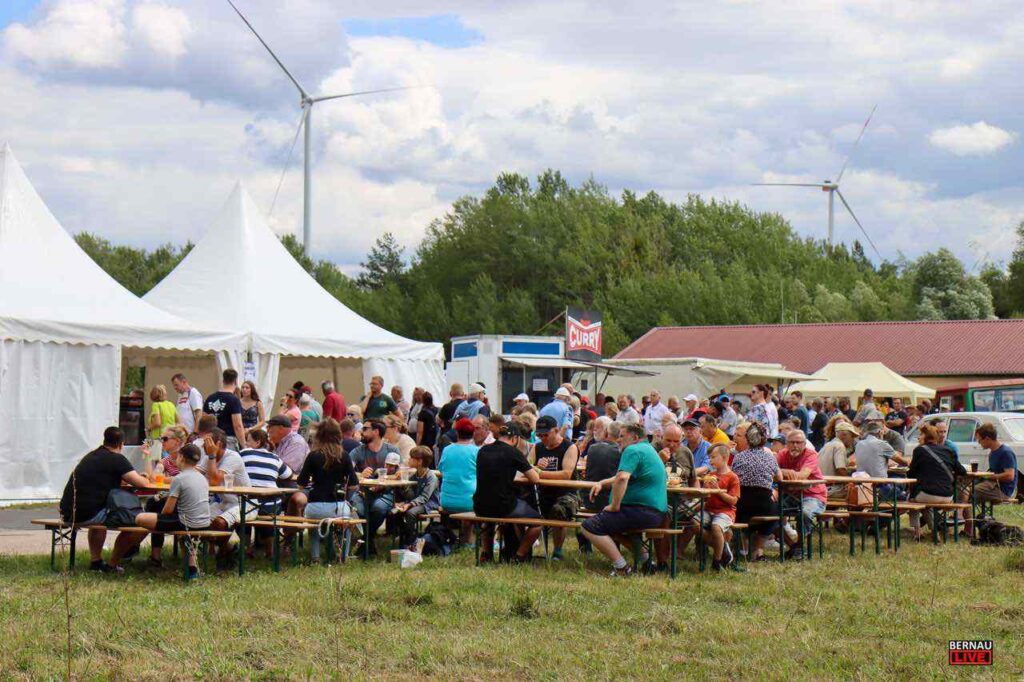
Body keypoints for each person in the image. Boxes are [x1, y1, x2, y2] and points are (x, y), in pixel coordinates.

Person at [58, 427, 153, 573]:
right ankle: (113, 564)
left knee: (101, 515)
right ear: (121, 444)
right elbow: (142, 484)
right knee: (138, 523)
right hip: (90, 514)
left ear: (104, 440)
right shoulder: (117, 459)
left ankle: (96, 562)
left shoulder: (91, 455)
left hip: (69, 511)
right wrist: (145, 476)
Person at [581, 423, 667, 577]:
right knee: (614, 529)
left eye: (621, 436)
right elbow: (622, 476)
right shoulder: (647, 449)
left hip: (642, 511)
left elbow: (622, 477)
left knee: (589, 526)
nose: (618, 440)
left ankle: (622, 567)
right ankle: (647, 562)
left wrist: (614, 506)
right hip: (656, 513)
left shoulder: (632, 449)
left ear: (634, 438)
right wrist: (602, 483)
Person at [135, 443, 210, 579]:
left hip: (186, 523)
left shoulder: (179, 479)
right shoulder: (202, 478)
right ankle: (192, 569)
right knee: (178, 527)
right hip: (203, 521)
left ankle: (151, 555)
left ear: (181, 457)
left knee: (140, 518)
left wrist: (157, 517)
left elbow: (168, 510)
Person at [473, 422, 543, 562]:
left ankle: (486, 554)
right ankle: (519, 555)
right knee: (538, 523)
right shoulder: (513, 452)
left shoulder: (483, 450)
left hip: (479, 505)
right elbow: (535, 479)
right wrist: (535, 468)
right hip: (503, 506)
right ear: (515, 438)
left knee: (488, 520)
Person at [294, 418, 356, 562]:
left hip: (315, 505)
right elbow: (354, 485)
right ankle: (343, 556)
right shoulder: (344, 455)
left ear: (319, 436)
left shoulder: (313, 455)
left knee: (314, 526)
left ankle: (315, 556)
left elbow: (301, 483)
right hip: (338, 506)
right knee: (347, 524)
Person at [525, 415, 581, 560]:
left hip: (566, 493)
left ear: (556, 430)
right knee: (523, 509)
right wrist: (536, 467)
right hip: (542, 493)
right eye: (539, 435)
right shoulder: (537, 447)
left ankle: (557, 551)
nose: (542, 438)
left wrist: (539, 473)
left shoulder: (569, 447)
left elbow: (566, 474)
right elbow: (526, 467)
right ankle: (523, 550)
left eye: (545, 434)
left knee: (559, 510)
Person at [200, 428, 251, 566]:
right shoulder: (207, 457)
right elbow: (192, 473)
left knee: (219, 523)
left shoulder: (232, 457)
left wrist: (211, 456)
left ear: (218, 443)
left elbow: (214, 481)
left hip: (244, 503)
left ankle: (224, 554)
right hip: (223, 502)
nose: (203, 445)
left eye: (207, 441)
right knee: (198, 520)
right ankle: (228, 550)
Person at [907, 423, 967, 540]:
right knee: (925, 504)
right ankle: (936, 530)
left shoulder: (919, 450)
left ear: (925, 437)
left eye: (920, 435)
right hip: (948, 495)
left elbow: (911, 474)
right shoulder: (948, 450)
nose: (919, 437)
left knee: (911, 500)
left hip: (927, 494)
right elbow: (962, 471)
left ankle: (917, 533)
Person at [347, 420, 401, 547]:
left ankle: (365, 540)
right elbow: (347, 471)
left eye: (365, 429)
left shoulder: (391, 450)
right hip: (362, 493)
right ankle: (367, 542)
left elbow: (401, 474)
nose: (361, 432)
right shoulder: (358, 451)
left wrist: (387, 478)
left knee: (378, 508)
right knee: (358, 509)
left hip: (385, 493)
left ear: (376, 432)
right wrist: (360, 474)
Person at [731, 422, 780, 561]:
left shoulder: (739, 457)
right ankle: (758, 549)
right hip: (764, 506)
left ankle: (742, 548)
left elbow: (733, 476)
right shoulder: (769, 457)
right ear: (764, 439)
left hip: (742, 506)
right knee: (779, 511)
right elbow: (780, 478)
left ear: (747, 438)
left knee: (741, 515)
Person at [776, 429, 827, 560]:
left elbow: (802, 475)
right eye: (792, 442)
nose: (795, 446)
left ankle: (800, 546)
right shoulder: (782, 454)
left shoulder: (811, 455)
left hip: (813, 495)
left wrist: (781, 472)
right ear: (786, 444)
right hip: (790, 494)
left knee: (804, 513)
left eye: (798, 442)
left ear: (804, 444)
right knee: (770, 512)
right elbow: (771, 471)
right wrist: (786, 471)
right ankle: (794, 546)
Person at [960, 422, 1018, 535]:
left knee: (969, 492)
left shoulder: (1005, 452)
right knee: (964, 489)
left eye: (980, 440)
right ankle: (968, 527)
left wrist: (988, 476)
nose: (979, 443)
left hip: (1002, 490)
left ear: (987, 438)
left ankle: (966, 524)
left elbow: (1010, 476)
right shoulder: (993, 452)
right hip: (992, 485)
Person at [700, 444, 741, 571]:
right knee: (693, 523)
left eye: (713, 457)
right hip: (709, 509)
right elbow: (706, 496)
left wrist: (718, 491)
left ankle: (716, 561)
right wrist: (705, 490)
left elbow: (733, 501)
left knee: (716, 527)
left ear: (724, 458)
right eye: (709, 457)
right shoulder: (711, 475)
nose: (710, 461)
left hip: (725, 512)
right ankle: (723, 547)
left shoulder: (732, 477)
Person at [392, 446, 440, 548]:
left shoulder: (431, 477)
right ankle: (402, 537)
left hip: (429, 503)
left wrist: (409, 504)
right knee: (396, 512)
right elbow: (411, 495)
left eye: (411, 458)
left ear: (419, 461)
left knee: (411, 513)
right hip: (415, 502)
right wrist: (402, 483)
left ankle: (411, 541)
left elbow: (425, 497)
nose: (408, 460)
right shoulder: (416, 474)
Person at [438, 418, 479, 514]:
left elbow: (441, 471)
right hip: (470, 501)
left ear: (456, 433)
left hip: (446, 501)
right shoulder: (477, 451)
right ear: (473, 434)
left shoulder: (447, 450)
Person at [583, 418, 623, 510]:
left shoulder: (592, 447)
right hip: (609, 501)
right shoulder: (620, 451)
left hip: (589, 498)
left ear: (607, 432)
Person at [204, 369, 246, 451]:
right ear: (236, 381)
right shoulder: (233, 399)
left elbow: (203, 420)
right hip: (227, 441)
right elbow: (238, 425)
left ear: (223, 380)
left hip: (210, 439)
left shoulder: (210, 398)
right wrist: (243, 445)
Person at [819, 419, 858, 499]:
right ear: (844, 435)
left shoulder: (828, 444)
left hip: (821, 487)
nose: (853, 439)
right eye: (852, 436)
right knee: (859, 492)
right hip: (831, 489)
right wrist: (851, 480)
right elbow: (840, 469)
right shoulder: (839, 446)